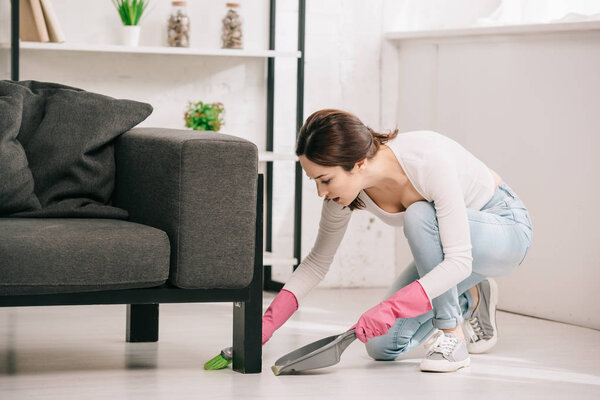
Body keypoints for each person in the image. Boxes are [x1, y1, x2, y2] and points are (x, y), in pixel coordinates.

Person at [262, 109, 533, 372]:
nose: (321, 191)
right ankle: (470, 298)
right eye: (315, 181)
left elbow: (459, 261)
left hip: (504, 232)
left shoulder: (427, 159)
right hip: (456, 253)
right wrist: (265, 325)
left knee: (419, 215)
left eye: (325, 179)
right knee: (381, 345)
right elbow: (316, 264)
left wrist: (391, 308)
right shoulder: (343, 195)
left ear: (358, 164)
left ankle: (452, 335)